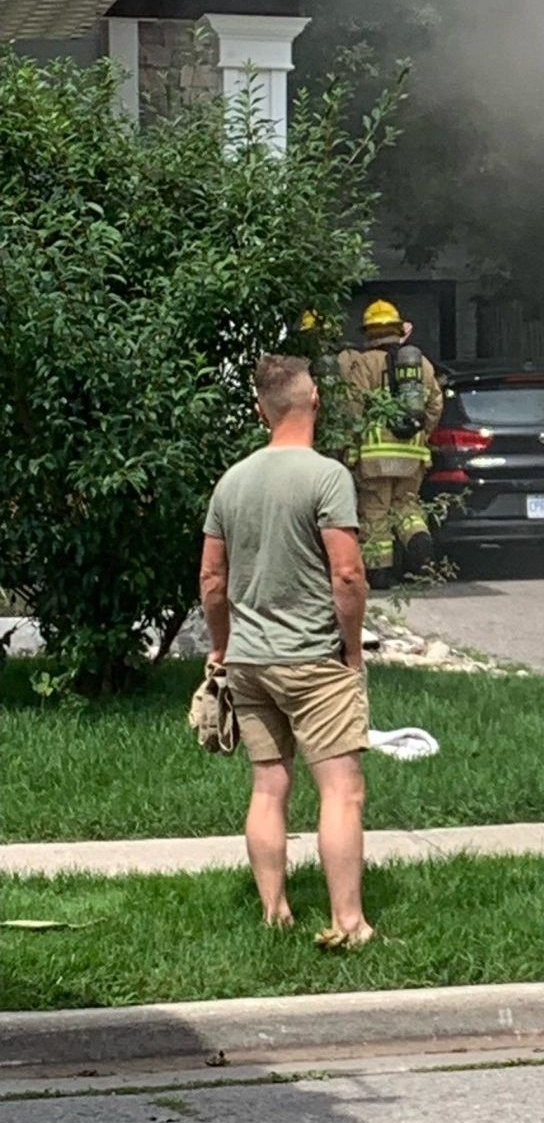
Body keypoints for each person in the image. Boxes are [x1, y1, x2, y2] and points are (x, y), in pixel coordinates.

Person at [200, 354, 375, 949]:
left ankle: (275, 912)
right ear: (315, 401)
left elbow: (212, 581)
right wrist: (350, 653)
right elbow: (347, 575)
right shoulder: (327, 478)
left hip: (248, 662)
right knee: (341, 789)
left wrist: (222, 650)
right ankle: (348, 922)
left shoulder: (232, 481)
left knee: (269, 786)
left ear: (259, 410)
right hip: (313, 660)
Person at [337, 300, 443, 590]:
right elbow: (434, 404)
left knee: (375, 511)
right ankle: (421, 549)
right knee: (407, 507)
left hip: (374, 456)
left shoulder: (363, 363)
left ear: (369, 333)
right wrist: (422, 436)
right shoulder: (422, 364)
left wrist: (349, 444)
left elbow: (352, 405)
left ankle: (379, 574)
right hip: (412, 453)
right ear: (397, 330)